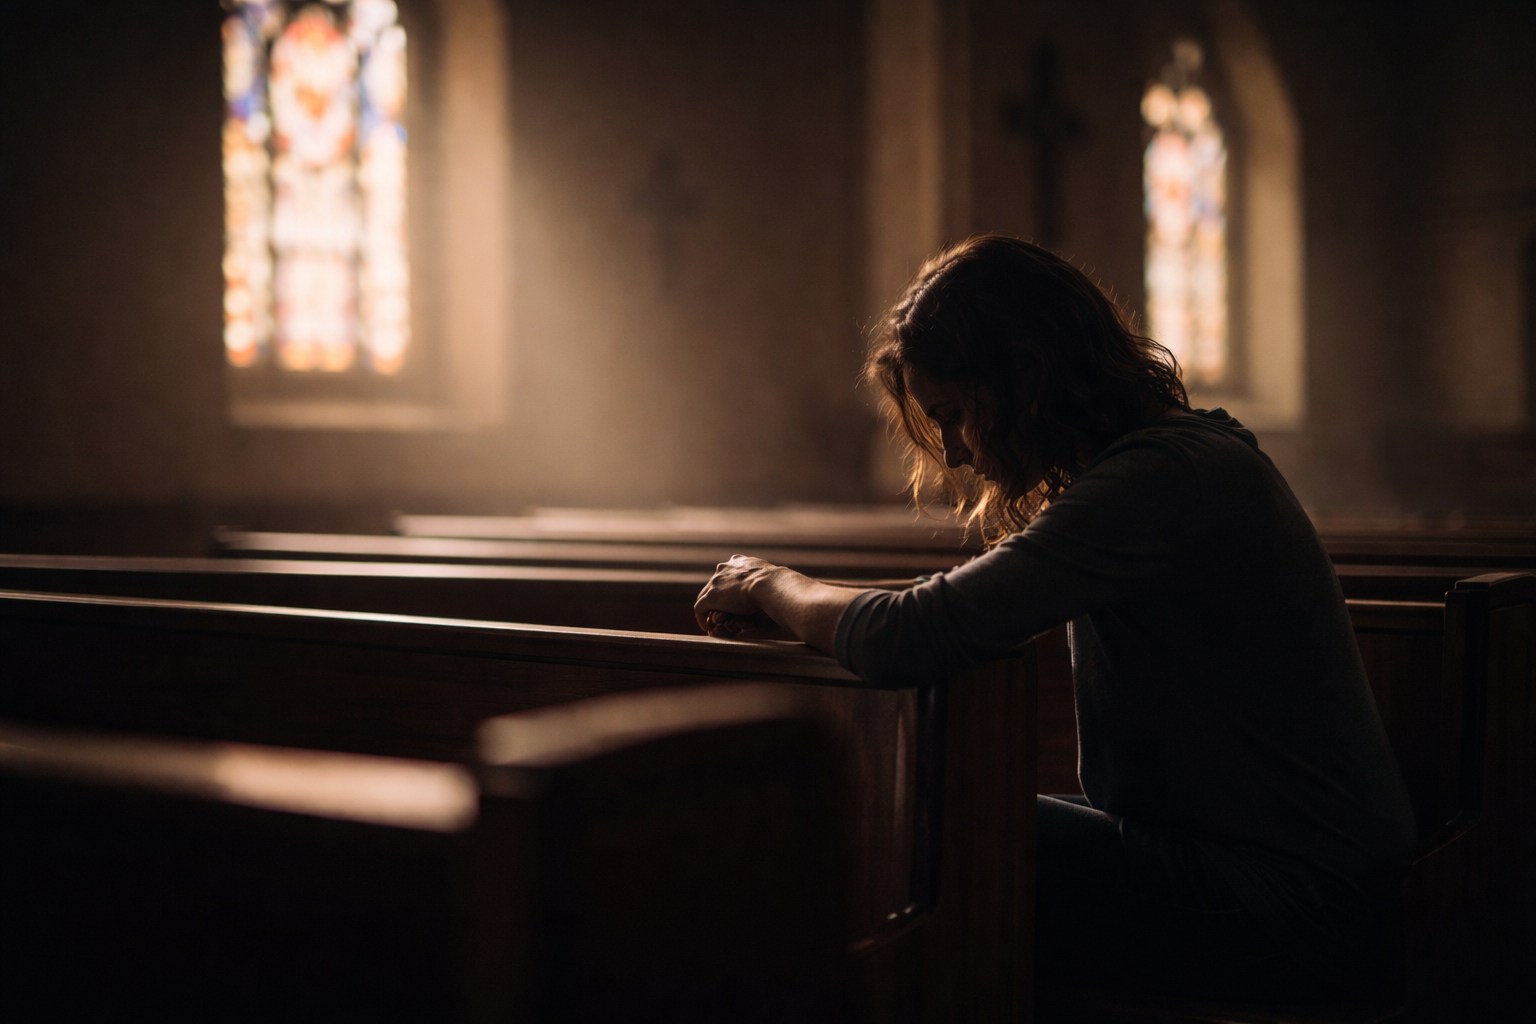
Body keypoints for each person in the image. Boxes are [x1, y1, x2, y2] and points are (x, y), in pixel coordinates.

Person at [693, 235, 1417, 1004]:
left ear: (1025, 375)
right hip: (1262, 872)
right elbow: (948, 603)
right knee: (947, 817)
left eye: (955, 415)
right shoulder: (1174, 459)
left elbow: (917, 632)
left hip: (1296, 905)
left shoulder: (1164, 477)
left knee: (933, 828)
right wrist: (810, 611)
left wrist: (766, 582)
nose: (955, 454)